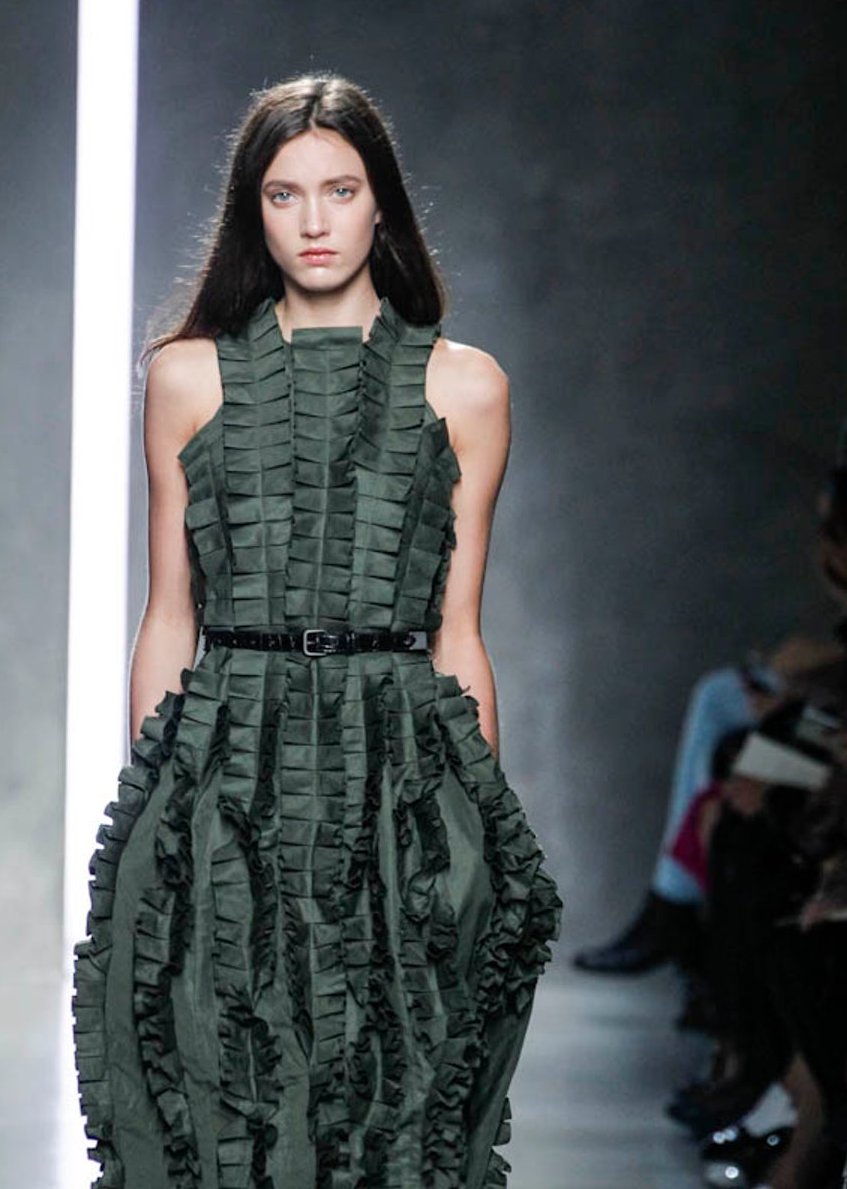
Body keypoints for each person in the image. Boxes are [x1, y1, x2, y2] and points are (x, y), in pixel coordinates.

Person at [72, 73, 563, 1188]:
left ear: (381, 202)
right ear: (253, 212)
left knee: (392, 1079)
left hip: (398, 763)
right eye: (284, 194)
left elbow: (459, 627)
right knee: (222, 1071)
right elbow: (170, 610)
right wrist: (151, 802)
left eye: (339, 190)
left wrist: (480, 822)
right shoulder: (187, 377)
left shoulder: (467, 388)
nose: (314, 222)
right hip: (228, 753)